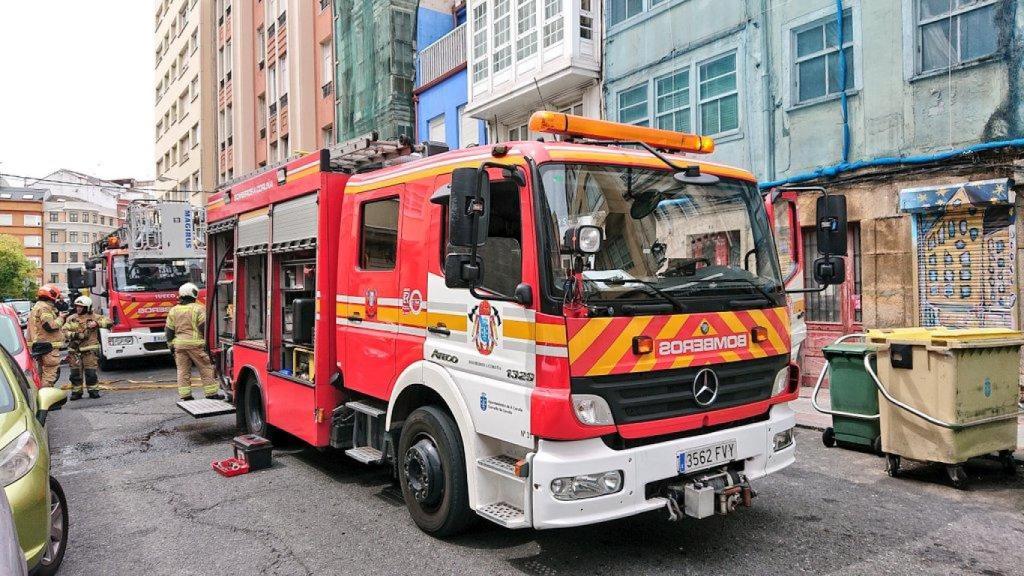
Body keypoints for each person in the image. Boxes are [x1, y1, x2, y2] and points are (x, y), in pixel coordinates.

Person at [166, 282, 221, 401]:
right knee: (206, 368)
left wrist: (171, 346)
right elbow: (204, 327)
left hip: (179, 345)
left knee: (182, 371)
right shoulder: (198, 309)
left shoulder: (173, 311)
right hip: (196, 345)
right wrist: (209, 343)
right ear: (194, 294)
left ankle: (185, 395)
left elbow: (169, 331)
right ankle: (211, 393)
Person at [63, 295, 113, 400]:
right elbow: (64, 331)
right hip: (74, 352)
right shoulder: (72, 318)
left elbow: (110, 322)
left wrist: (97, 323)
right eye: (77, 306)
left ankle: (93, 391)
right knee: (75, 374)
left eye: (81, 307)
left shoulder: (94, 317)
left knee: (91, 373)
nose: (78, 308)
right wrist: (75, 335)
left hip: (89, 351)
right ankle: (76, 392)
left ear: (87, 307)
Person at [26, 284, 66, 388]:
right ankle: (47, 400)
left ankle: (40, 397)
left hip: (39, 346)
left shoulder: (36, 307)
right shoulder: (45, 308)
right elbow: (49, 326)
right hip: (48, 347)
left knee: (40, 375)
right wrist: (61, 318)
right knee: (49, 375)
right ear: (52, 295)